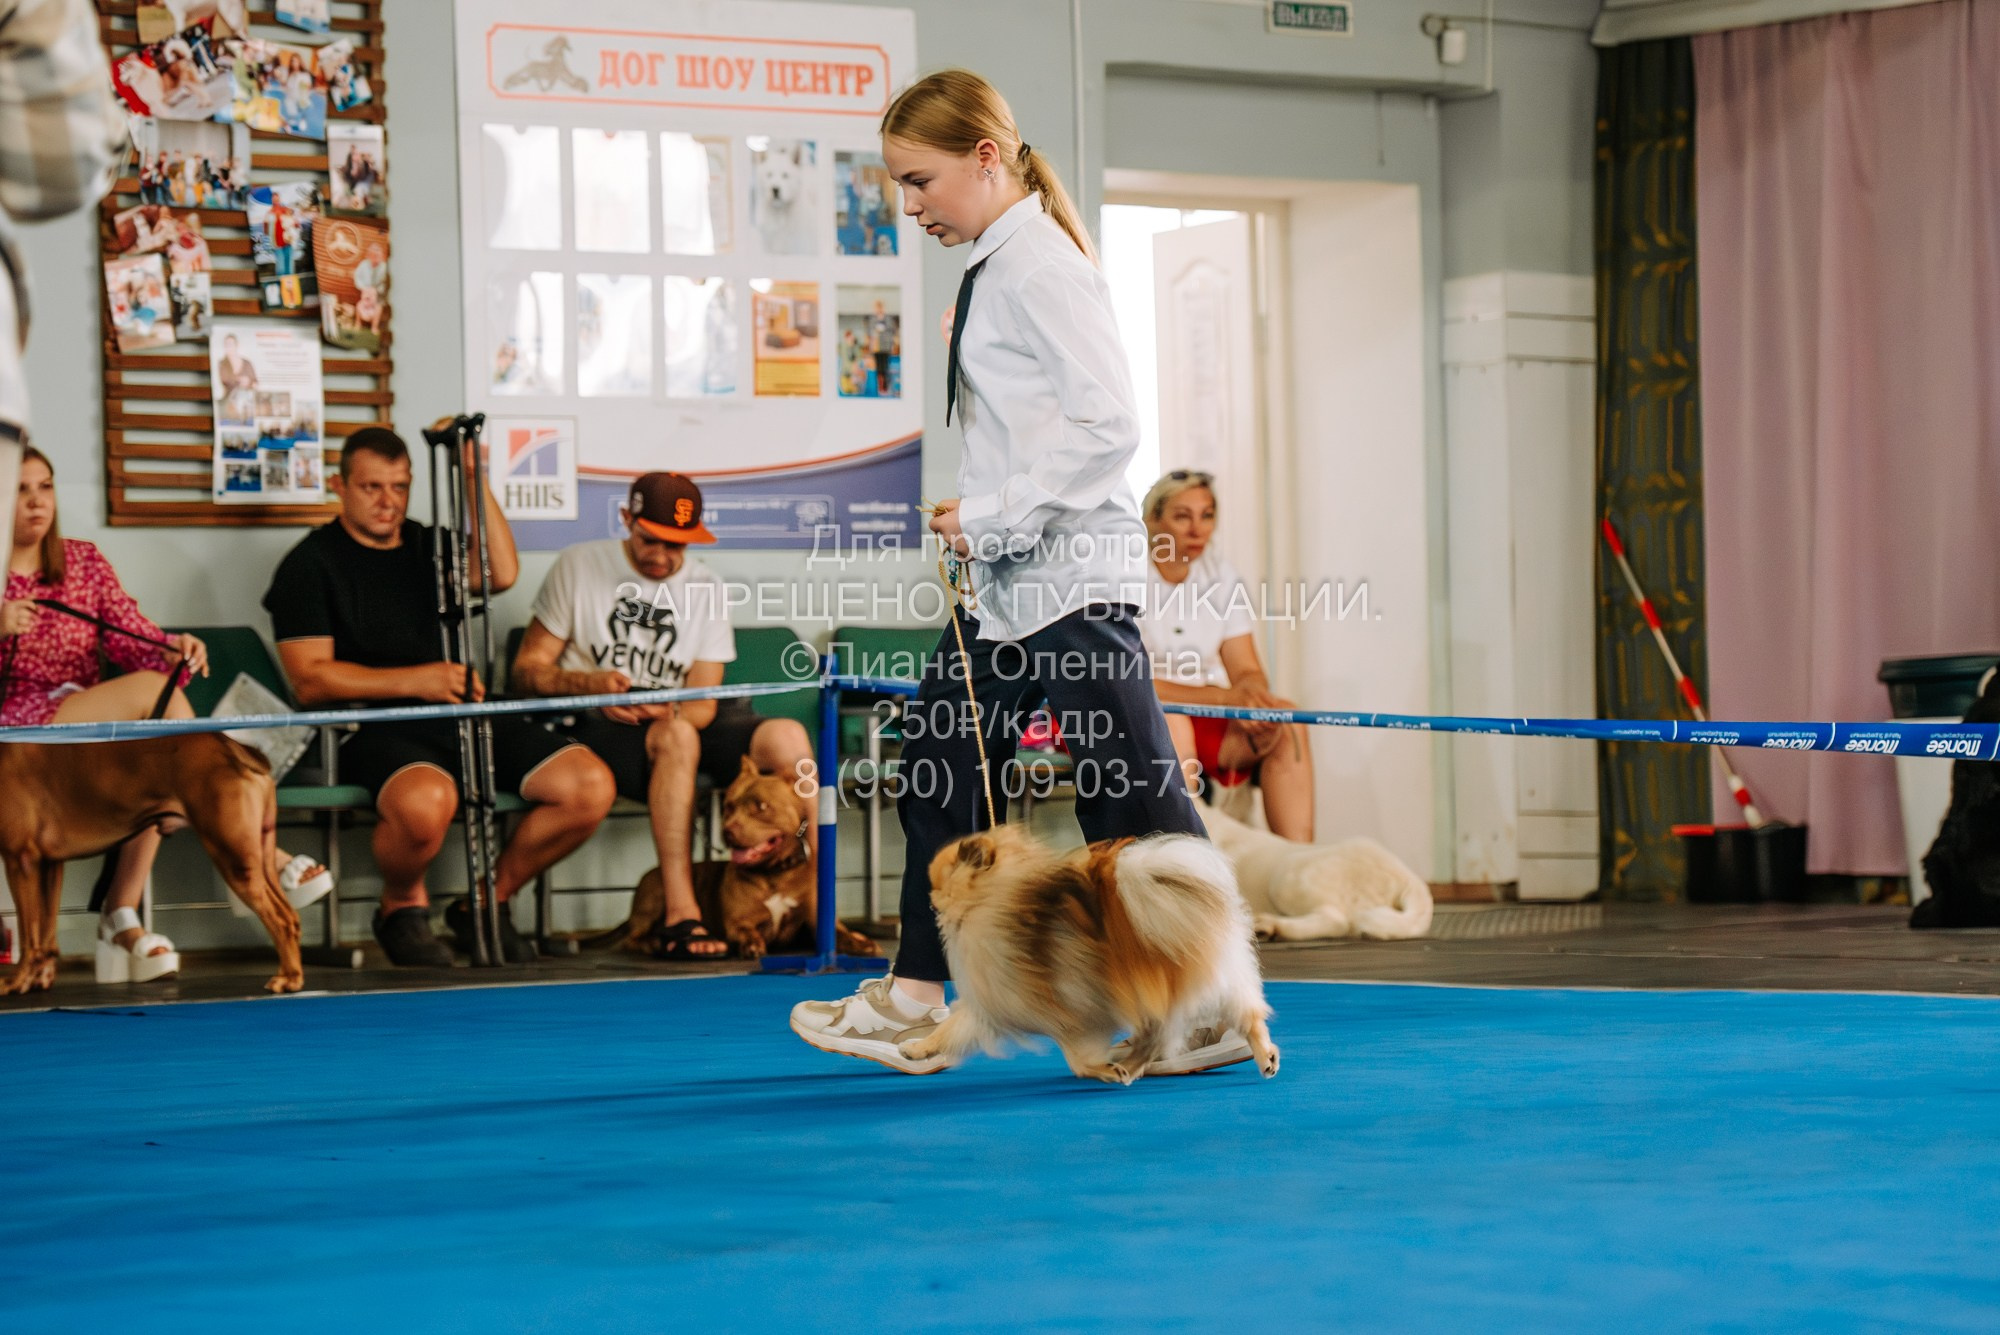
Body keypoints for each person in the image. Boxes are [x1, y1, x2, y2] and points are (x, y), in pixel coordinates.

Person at [789, 68, 1250, 1076]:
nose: (910, 208)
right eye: (899, 188)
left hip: (1071, 582)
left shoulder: (1039, 264)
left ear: (985, 158)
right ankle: (916, 989)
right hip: (1005, 589)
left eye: (920, 182)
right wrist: (982, 520)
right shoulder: (995, 266)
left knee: (1130, 801)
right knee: (937, 757)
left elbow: (1109, 425)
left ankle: (1216, 1004)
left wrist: (989, 514)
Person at [263, 426, 616, 967]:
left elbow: (502, 572)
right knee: (428, 804)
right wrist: (417, 680)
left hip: (459, 711)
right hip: (370, 726)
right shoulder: (309, 565)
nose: (388, 502)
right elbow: (311, 680)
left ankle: (486, 902)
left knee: (588, 786)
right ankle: (401, 905)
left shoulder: (430, 546)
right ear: (339, 485)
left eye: (399, 487)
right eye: (372, 487)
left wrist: (474, 474)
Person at [3, 445, 333, 982]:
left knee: (159, 745)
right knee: (156, 717)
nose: (37, 502)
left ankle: (124, 911)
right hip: (22, 731)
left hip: (89, 723)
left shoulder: (81, 561)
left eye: (45, 486)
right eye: (20, 490)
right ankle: (256, 843)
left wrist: (170, 648)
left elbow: (132, 632)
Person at [512, 472, 816, 960]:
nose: (661, 556)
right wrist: (589, 685)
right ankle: (681, 914)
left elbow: (701, 704)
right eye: (649, 539)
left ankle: (819, 900)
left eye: (676, 545)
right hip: (599, 725)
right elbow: (526, 672)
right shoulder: (580, 565)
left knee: (787, 733)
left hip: (677, 717)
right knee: (676, 736)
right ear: (626, 519)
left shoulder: (706, 587)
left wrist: (669, 706)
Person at [1138, 469, 1314, 840]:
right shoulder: (1125, 576)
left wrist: (1252, 700)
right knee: (1173, 723)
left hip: (1204, 712)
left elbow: (1246, 669)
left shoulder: (1221, 575)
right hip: (1136, 716)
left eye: (1207, 515)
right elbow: (1130, 682)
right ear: (1152, 519)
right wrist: (1226, 697)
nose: (1197, 529)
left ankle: (1298, 863)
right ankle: (1188, 862)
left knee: (1288, 721)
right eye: (1182, 516)